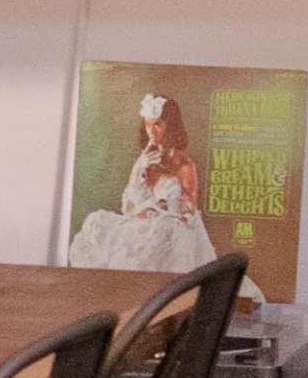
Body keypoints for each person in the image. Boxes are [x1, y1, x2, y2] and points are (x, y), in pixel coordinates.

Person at [68, 92, 219, 274]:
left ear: (170, 127)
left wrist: (160, 211)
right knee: (96, 221)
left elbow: (189, 211)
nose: (152, 131)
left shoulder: (183, 163)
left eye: (157, 125)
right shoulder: (145, 159)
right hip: (142, 220)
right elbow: (128, 205)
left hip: (173, 225)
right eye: (148, 125)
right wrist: (140, 171)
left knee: (164, 232)